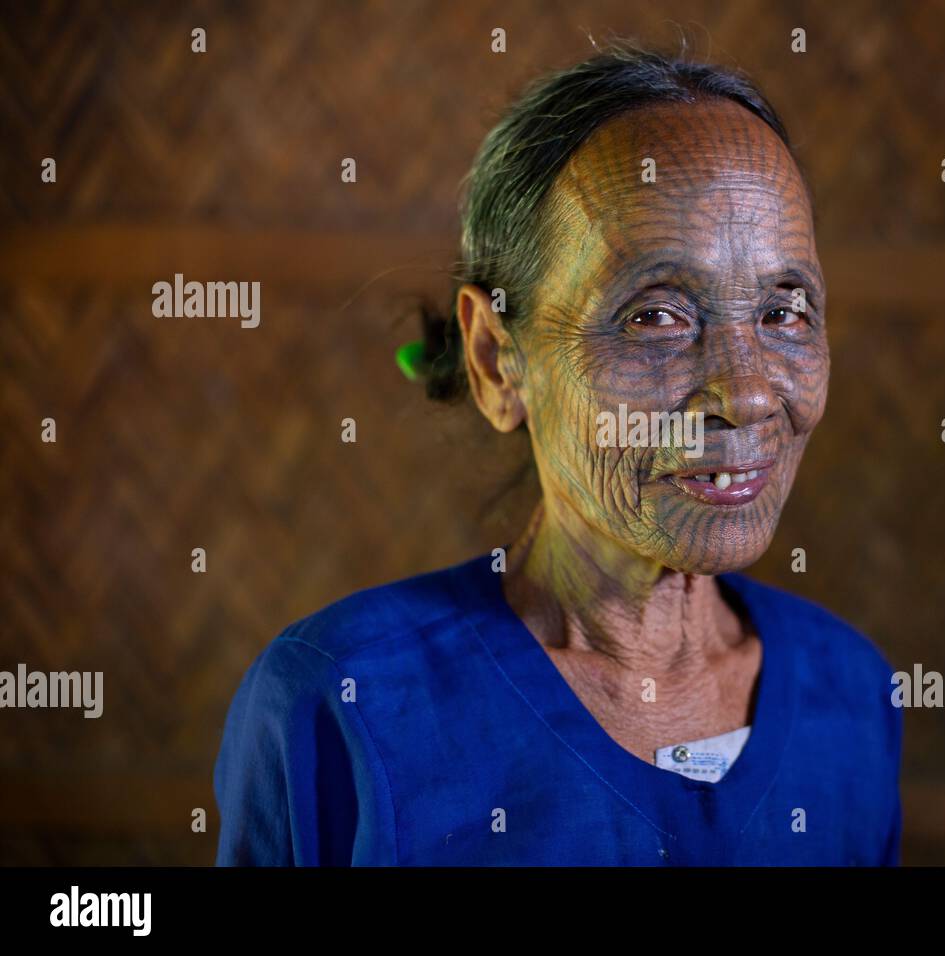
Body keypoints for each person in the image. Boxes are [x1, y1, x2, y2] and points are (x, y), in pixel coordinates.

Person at [214, 40, 902, 866]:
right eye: (656, 316)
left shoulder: (851, 697)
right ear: (499, 362)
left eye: (785, 312)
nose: (749, 392)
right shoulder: (345, 702)